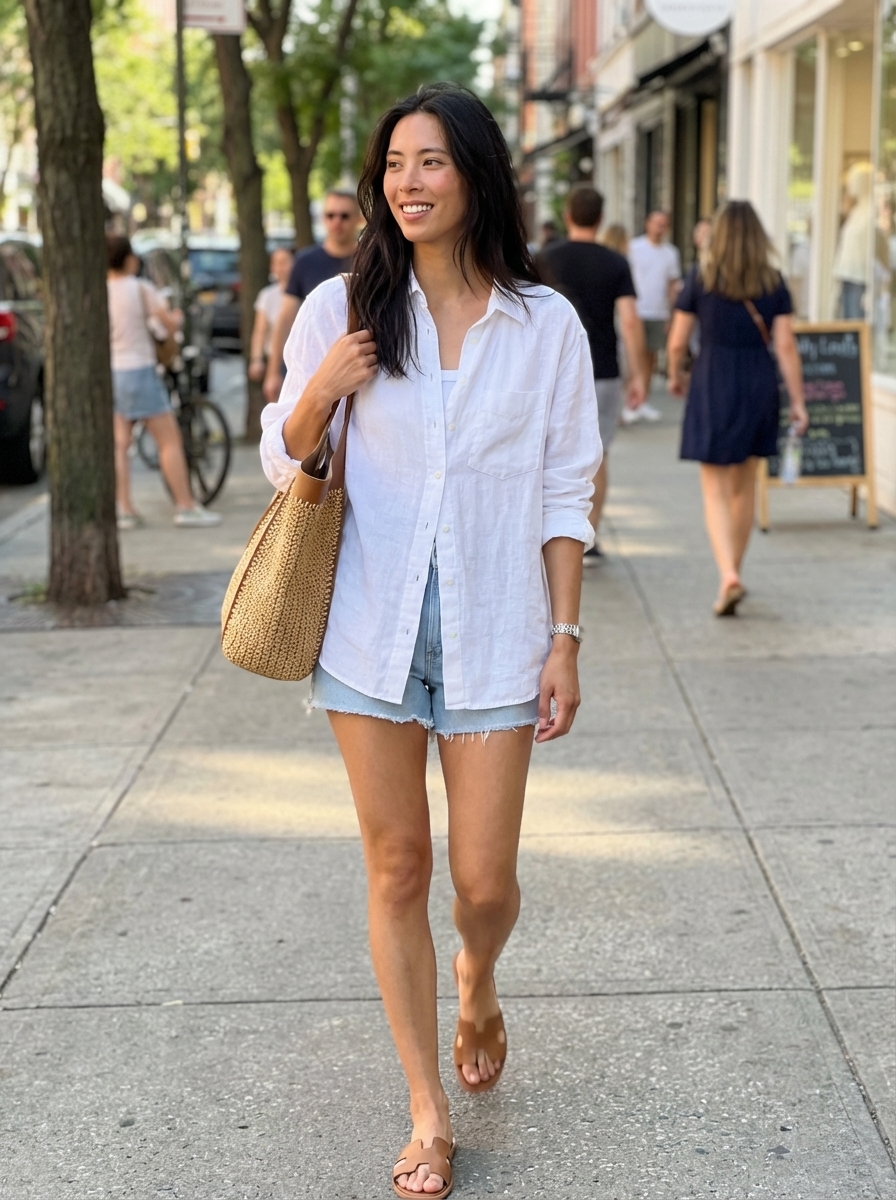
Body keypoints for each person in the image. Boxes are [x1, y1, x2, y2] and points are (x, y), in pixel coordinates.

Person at [260, 82, 600, 1198]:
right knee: (396, 863)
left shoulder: (541, 323)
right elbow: (284, 458)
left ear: (476, 175)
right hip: (371, 627)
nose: (407, 182)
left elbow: (563, 489)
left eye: (431, 162)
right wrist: (322, 388)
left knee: (484, 882)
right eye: (394, 164)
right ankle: (424, 1107)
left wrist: (563, 636)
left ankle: (479, 979)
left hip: (499, 631)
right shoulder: (340, 308)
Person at [666, 201, 808, 616]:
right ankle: (735, 570)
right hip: (758, 381)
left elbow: (677, 340)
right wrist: (798, 401)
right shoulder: (774, 281)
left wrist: (675, 374)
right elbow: (785, 346)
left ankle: (727, 573)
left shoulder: (701, 278)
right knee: (745, 485)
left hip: (712, 378)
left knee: (714, 488)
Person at [537, 184, 648, 561]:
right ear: (600, 219)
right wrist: (639, 373)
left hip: (549, 370)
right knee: (596, 454)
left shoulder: (546, 259)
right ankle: (589, 537)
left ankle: (551, 534)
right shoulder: (616, 263)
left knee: (546, 454)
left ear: (568, 215)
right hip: (602, 370)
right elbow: (630, 322)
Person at [106, 236, 221, 530]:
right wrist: (177, 318)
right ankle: (185, 505)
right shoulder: (139, 288)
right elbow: (168, 324)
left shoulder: (101, 291)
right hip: (141, 369)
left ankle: (124, 509)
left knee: (120, 444)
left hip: (114, 371)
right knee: (168, 440)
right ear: (129, 259)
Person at [262, 190, 360, 401]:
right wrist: (272, 373)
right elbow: (286, 317)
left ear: (358, 219)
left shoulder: (371, 260)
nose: (337, 222)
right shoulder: (305, 262)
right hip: (312, 373)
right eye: (330, 215)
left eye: (344, 216)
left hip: (361, 372)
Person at [627, 210, 682, 419]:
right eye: (656, 223)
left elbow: (672, 284)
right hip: (638, 309)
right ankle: (630, 400)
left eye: (663, 224)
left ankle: (643, 400)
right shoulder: (635, 248)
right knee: (635, 355)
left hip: (658, 311)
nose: (660, 227)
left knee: (650, 357)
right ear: (647, 224)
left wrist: (670, 313)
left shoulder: (671, 253)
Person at [248, 246, 294, 382]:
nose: (280, 267)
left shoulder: (307, 294)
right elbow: (260, 330)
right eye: (275, 262)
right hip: (276, 360)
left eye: (284, 262)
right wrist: (256, 359)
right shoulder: (267, 296)